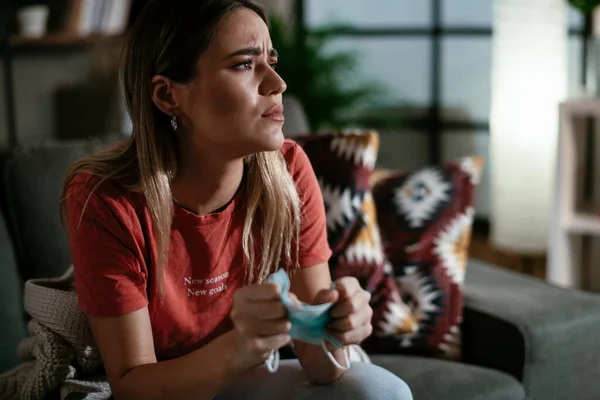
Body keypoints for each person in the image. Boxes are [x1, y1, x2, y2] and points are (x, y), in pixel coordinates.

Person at [61, 1, 413, 399]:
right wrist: (241, 345)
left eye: (271, 61)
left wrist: (337, 326)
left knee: (379, 390)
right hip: (164, 389)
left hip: (246, 380)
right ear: (167, 95)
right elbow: (131, 385)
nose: (277, 83)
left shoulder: (290, 171)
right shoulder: (105, 199)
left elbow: (319, 365)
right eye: (245, 64)